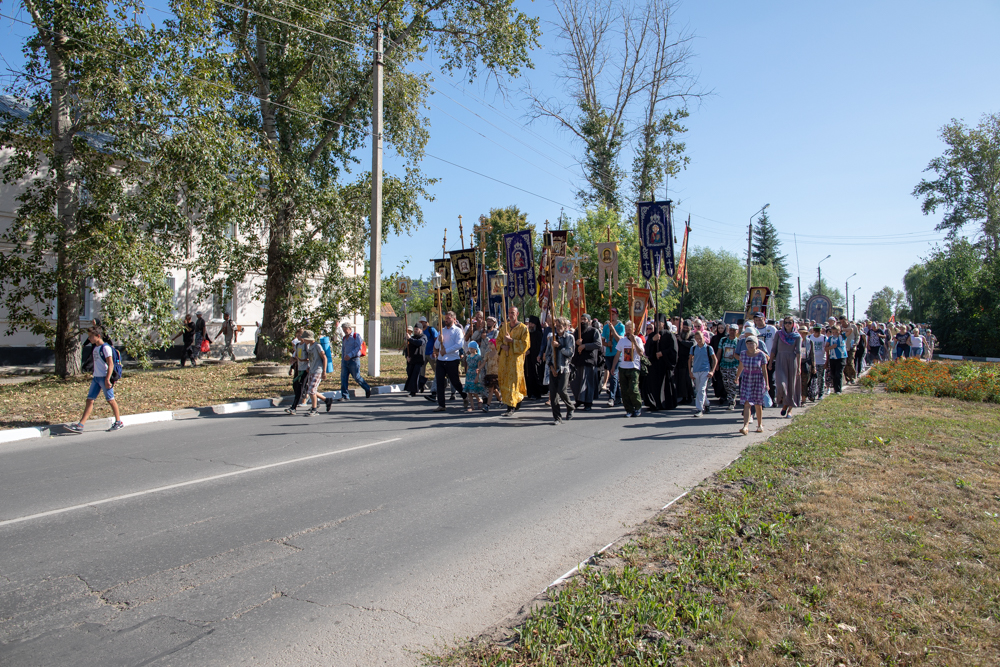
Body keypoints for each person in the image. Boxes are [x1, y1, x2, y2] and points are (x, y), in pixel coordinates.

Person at [67, 326, 124, 432]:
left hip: (104, 378)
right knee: (89, 400)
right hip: (96, 378)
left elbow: (110, 364)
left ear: (98, 336)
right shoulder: (96, 348)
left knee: (111, 400)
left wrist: (107, 379)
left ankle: (118, 422)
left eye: (91, 337)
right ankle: (80, 425)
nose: (89, 339)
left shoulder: (105, 348)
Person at [432, 310, 468, 412]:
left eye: (448, 318)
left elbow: (459, 345)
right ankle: (441, 404)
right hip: (441, 360)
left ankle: (464, 395)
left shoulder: (457, 331)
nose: (446, 320)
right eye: (445, 318)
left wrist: (446, 351)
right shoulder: (441, 331)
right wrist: (439, 341)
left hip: (452, 359)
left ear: (454, 319)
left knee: (455, 381)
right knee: (439, 381)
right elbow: (436, 346)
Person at [497, 306, 529, 416]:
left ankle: (510, 407)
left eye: (513, 312)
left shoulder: (523, 328)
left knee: (513, 382)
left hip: (516, 361)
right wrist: (502, 345)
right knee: (505, 381)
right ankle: (516, 400)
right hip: (504, 360)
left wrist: (512, 341)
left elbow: (525, 344)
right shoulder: (504, 327)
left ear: (517, 313)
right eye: (509, 313)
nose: (511, 315)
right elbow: (498, 340)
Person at [736, 335, 768, 435]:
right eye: (748, 343)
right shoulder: (743, 354)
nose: (750, 345)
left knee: (758, 404)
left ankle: (759, 424)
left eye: (752, 343)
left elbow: (764, 370)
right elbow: (741, 366)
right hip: (746, 380)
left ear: (756, 344)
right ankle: (745, 426)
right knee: (747, 403)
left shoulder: (761, 355)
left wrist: (767, 384)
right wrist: (736, 377)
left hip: (758, 380)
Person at [612, 320, 645, 417]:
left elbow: (641, 353)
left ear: (634, 329)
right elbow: (617, 354)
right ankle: (628, 409)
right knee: (624, 390)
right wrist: (614, 367)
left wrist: (634, 342)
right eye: (626, 329)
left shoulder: (638, 340)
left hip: (633, 367)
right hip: (623, 368)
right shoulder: (622, 340)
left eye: (629, 329)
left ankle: (637, 407)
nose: (628, 331)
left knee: (633, 389)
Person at [545, 317, 576, 423]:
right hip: (553, 368)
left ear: (565, 327)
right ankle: (557, 417)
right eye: (556, 326)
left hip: (564, 368)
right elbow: (548, 354)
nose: (558, 328)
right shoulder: (552, 338)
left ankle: (570, 406)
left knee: (562, 390)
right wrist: (551, 367)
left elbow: (570, 353)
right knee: (553, 395)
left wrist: (559, 347)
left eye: (560, 326)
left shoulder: (569, 338)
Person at [771, 317, 802, 417]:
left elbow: (799, 352)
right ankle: (784, 402)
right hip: (780, 360)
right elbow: (773, 349)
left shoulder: (797, 336)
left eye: (790, 322)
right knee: (781, 385)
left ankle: (789, 409)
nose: (787, 324)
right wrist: (771, 362)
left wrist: (799, 367)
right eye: (786, 322)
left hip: (792, 361)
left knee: (791, 386)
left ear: (793, 324)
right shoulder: (778, 334)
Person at [571, 314, 602, 411]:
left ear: (589, 321)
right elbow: (571, 343)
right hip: (577, 360)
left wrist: (584, 346)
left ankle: (588, 402)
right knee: (576, 382)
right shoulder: (577, 332)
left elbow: (598, 344)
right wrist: (576, 343)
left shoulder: (594, 331)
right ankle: (579, 400)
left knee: (587, 382)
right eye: (581, 319)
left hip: (588, 360)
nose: (583, 321)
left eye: (585, 319)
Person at [339, 322, 372, 401]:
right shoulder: (344, 338)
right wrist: (343, 359)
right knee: (343, 378)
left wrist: (350, 355)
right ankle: (345, 396)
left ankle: (367, 388)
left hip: (354, 360)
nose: (345, 332)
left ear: (350, 328)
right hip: (345, 361)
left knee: (357, 377)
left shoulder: (356, 336)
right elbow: (343, 349)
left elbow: (358, 348)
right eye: (343, 330)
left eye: (346, 330)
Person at [688, 330, 717, 417]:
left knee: (701, 389)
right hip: (696, 370)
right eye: (697, 339)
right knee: (699, 390)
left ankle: (699, 409)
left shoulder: (708, 348)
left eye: (700, 338)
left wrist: (712, 371)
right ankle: (707, 403)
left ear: (704, 338)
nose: (699, 340)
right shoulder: (693, 348)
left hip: (705, 370)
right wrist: (690, 371)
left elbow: (715, 359)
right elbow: (690, 360)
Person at [602, 308, 625, 406]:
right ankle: (619, 397)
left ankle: (611, 397)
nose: (612, 316)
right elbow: (603, 341)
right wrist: (607, 344)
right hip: (608, 353)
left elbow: (620, 339)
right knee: (613, 375)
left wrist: (613, 330)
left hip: (617, 353)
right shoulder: (606, 327)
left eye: (614, 314)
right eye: (610, 314)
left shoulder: (621, 326)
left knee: (614, 374)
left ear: (617, 315)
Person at [300, 330, 327, 416]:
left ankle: (314, 409)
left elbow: (324, 358)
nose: (304, 340)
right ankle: (325, 401)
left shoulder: (317, 346)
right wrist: (308, 366)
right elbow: (311, 359)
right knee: (311, 390)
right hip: (311, 370)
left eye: (305, 339)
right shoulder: (309, 346)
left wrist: (324, 372)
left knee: (312, 390)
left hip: (318, 370)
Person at [753, 312, 778, 402]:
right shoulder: (754, 330)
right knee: (759, 380)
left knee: (771, 379)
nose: (758, 321)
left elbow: (776, 343)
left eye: (760, 319)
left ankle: (772, 398)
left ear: (764, 319)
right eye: (756, 320)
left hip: (770, 358)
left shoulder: (771, 329)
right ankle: (761, 399)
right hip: (758, 359)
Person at [285, 328, 311, 414]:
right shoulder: (297, 345)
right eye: (297, 335)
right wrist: (292, 361)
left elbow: (310, 357)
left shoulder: (306, 346)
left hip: (305, 369)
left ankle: (293, 407)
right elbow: (295, 356)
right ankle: (323, 401)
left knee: (300, 387)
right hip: (299, 368)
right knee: (295, 385)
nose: (298, 337)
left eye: (300, 335)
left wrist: (306, 364)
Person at [718, 323, 740, 410]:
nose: (732, 332)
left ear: (737, 331)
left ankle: (732, 401)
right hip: (724, 364)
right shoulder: (723, 340)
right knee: (726, 384)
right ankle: (730, 396)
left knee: (732, 383)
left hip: (734, 365)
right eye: (731, 330)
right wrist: (716, 364)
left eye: (734, 330)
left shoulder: (738, 341)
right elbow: (719, 352)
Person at [524, 315, 546, 400]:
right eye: (530, 323)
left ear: (536, 324)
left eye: (532, 323)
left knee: (536, 375)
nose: (531, 325)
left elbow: (539, 347)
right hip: (528, 357)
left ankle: (537, 393)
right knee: (528, 375)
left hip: (536, 357)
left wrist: (531, 351)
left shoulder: (538, 334)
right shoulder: (527, 333)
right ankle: (530, 392)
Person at [675, 319, 694, 404]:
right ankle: (683, 396)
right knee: (681, 380)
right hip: (680, 360)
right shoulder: (680, 334)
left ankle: (690, 396)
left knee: (687, 379)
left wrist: (681, 341)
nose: (685, 329)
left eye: (687, 328)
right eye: (684, 327)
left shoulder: (692, 335)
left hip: (688, 360)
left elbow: (691, 344)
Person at [404, 323, 427, 396]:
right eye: (414, 329)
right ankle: (422, 382)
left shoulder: (423, 337)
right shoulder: (412, 338)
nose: (415, 331)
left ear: (421, 330)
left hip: (419, 359)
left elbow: (419, 343)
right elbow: (407, 349)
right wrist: (407, 356)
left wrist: (410, 339)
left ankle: (413, 392)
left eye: (417, 329)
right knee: (410, 374)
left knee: (415, 375)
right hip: (411, 360)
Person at [825, 324, 848, 394]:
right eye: (833, 332)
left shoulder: (842, 336)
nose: (835, 334)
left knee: (839, 373)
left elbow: (850, 330)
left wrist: (842, 330)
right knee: (834, 374)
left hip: (841, 357)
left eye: (836, 332)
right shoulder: (830, 338)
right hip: (833, 358)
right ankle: (835, 389)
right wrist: (832, 347)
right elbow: (826, 348)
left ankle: (838, 390)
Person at [807, 325, 828, 399]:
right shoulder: (809, 338)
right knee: (811, 378)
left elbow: (827, 349)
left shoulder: (824, 338)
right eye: (815, 331)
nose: (817, 333)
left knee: (820, 378)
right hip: (812, 361)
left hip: (821, 361)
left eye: (818, 331)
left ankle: (820, 393)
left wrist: (827, 361)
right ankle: (811, 393)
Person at [464, 341, 485, 412]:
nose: (471, 350)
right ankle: (472, 406)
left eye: (472, 349)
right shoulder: (468, 357)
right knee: (469, 391)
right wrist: (466, 374)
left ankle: (479, 399)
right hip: (469, 375)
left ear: (476, 349)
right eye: (470, 349)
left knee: (473, 390)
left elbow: (478, 368)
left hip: (474, 374)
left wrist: (477, 376)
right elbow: (467, 366)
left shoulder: (478, 357)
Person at [482, 336, 500, 412]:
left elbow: (500, 363)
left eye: (491, 344)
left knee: (490, 390)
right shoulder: (487, 354)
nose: (489, 345)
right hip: (489, 373)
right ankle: (501, 400)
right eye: (489, 344)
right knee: (494, 389)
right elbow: (484, 362)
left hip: (495, 373)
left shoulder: (498, 353)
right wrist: (479, 368)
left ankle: (487, 405)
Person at [419, 315, 437, 393]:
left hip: (431, 353)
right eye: (420, 322)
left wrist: (435, 351)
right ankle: (422, 386)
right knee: (421, 370)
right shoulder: (420, 331)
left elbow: (436, 340)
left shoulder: (431, 330)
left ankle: (441, 382)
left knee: (435, 369)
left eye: (423, 322)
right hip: (423, 353)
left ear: (426, 322)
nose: (421, 323)